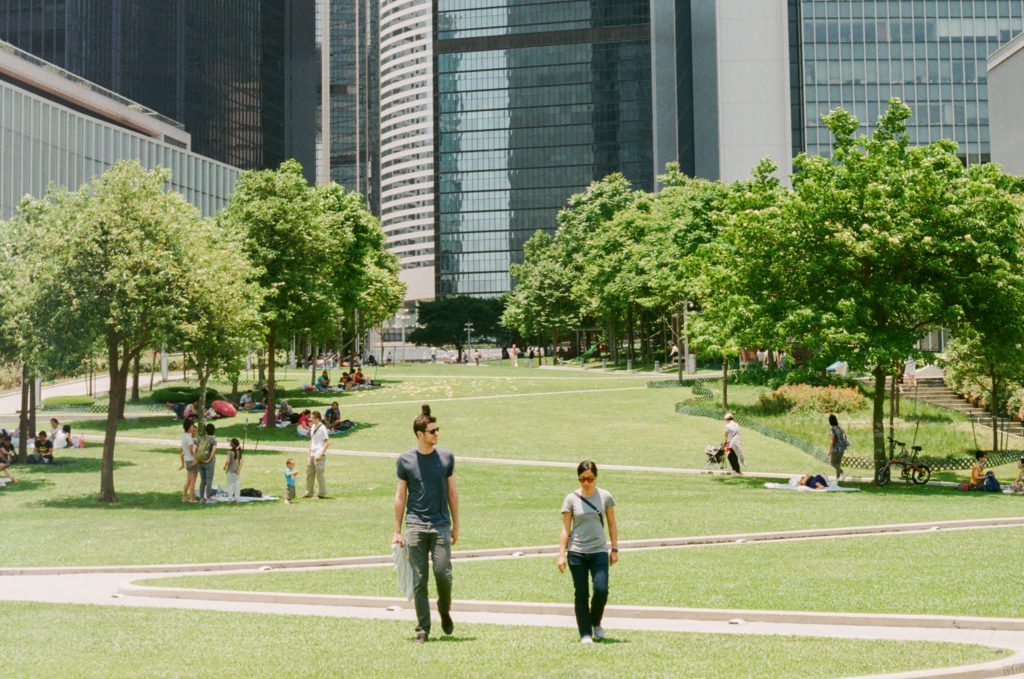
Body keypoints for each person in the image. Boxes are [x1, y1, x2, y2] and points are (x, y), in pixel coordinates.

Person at [392, 405, 458, 643]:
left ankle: (444, 608)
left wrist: (456, 525)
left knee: (443, 575)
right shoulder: (405, 460)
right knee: (419, 579)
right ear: (420, 434)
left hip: (440, 524)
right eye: (432, 431)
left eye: (437, 430)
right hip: (416, 525)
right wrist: (398, 530)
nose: (437, 434)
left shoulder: (446, 457)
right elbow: (401, 496)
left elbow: (452, 492)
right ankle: (423, 628)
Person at [558, 461, 618, 644]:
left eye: (590, 478)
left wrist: (614, 548)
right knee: (581, 593)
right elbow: (565, 529)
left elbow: (612, 524)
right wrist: (561, 554)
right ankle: (585, 633)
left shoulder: (605, 496)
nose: (586, 482)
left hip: (599, 550)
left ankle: (595, 623)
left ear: (596, 477)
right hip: (577, 551)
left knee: (601, 590)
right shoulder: (571, 499)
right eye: (582, 479)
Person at [303, 411, 330, 499]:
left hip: (319, 453)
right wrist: (309, 454)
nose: (311, 420)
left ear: (318, 419)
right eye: (311, 418)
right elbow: (312, 441)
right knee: (309, 473)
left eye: (313, 418)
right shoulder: (313, 427)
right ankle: (308, 492)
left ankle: (322, 493)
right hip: (312, 453)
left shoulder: (322, 428)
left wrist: (321, 454)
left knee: (319, 474)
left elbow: (327, 442)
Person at [195, 423, 218, 503]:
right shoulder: (213, 440)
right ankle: (208, 498)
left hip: (200, 461)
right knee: (209, 480)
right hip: (209, 463)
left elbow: (196, 449)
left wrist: (198, 458)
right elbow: (213, 450)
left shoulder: (200, 438)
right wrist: (209, 459)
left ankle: (201, 498)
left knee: (202, 480)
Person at [180, 421, 198, 503]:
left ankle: (184, 497)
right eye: (192, 426)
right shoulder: (189, 438)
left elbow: (182, 449)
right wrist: (196, 457)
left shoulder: (184, 436)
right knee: (193, 481)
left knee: (188, 479)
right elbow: (191, 450)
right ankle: (191, 498)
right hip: (192, 459)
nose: (193, 427)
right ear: (189, 427)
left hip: (187, 460)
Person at [827, 414, 849, 481]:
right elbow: (844, 437)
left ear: (830, 421)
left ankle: (843, 472)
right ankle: (837, 478)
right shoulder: (840, 428)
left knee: (832, 463)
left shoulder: (832, 429)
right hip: (842, 448)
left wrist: (830, 450)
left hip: (836, 448)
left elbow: (832, 441)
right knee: (838, 463)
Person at [223, 438, 244, 504]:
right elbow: (242, 461)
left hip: (230, 470)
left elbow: (228, 461)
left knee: (230, 485)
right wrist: (239, 470)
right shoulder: (239, 452)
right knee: (237, 485)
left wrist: (225, 466)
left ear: (231, 445)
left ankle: (230, 499)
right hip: (237, 470)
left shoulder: (229, 452)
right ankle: (237, 500)